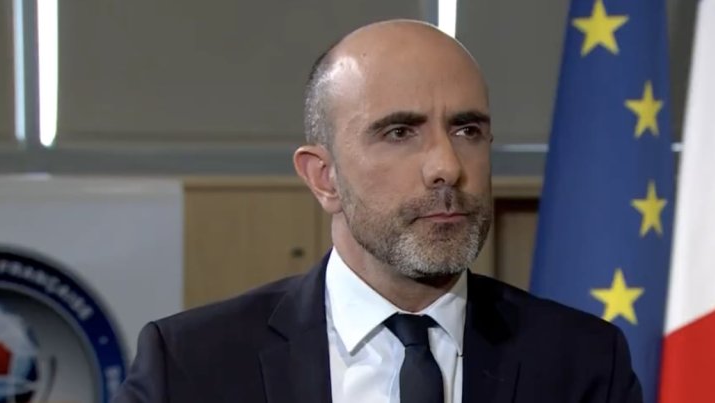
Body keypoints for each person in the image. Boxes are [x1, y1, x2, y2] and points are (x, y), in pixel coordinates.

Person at [114, 19, 642, 403]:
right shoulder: (190, 365)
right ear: (324, 178)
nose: (446, 166)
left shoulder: (584, 362)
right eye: (399, 132)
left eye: (467, 130)